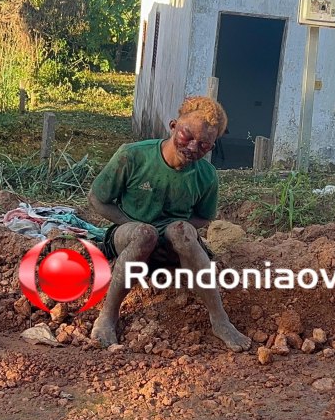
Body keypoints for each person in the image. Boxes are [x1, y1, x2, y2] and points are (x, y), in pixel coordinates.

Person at [88, 96, 252, 353]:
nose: (193, 147)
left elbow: (204, 217)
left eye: (204, 145)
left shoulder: (206, 176)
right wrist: (133, 224)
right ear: (173, 125)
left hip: (171, 244)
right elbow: (97, 198)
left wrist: (176, 231)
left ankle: (220, 321)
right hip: (129, 234)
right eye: (188, 136)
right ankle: (107, 317)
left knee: (184, 231)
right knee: (144, 234)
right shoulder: (133, 155)